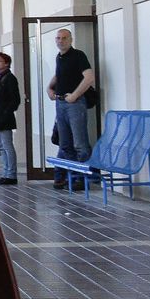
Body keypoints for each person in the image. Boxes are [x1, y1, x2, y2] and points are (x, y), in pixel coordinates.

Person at [46, 29, 96, 190]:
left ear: (71, 40)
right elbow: (59, 74)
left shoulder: (78, 55)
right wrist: (50, 88)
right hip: (60, 103)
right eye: (58, 38)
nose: (60, 41)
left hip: (74, 104)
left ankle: (83, 178)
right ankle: (68, 176)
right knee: (65, 144)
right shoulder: (59, 57)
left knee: (80, 143)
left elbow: (89, 77)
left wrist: (75, 95)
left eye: (64, 38)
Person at [0, 52, 21, 185]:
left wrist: (6, 112)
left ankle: (11, 174)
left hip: (5, 117)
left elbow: (15, 100)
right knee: (1, 146)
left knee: (7, 145)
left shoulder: (9, 78)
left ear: (6, 63)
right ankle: (5, 172)